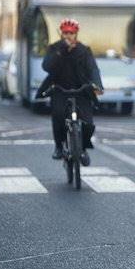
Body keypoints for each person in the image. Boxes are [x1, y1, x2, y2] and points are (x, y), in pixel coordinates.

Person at [40, 18, 103, 166]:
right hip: (60, 90)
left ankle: (83, 148)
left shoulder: (84, 50)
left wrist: (97, 85)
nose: (68, 35)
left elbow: (93, 69)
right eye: (65, 32)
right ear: (61, 34)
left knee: (88, 122)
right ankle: (59, 147)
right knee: (58, 116)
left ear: (76, 34)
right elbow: (47, 67)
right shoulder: (54, 48)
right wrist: (61, 49)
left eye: (71, 33)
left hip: (81, 90)